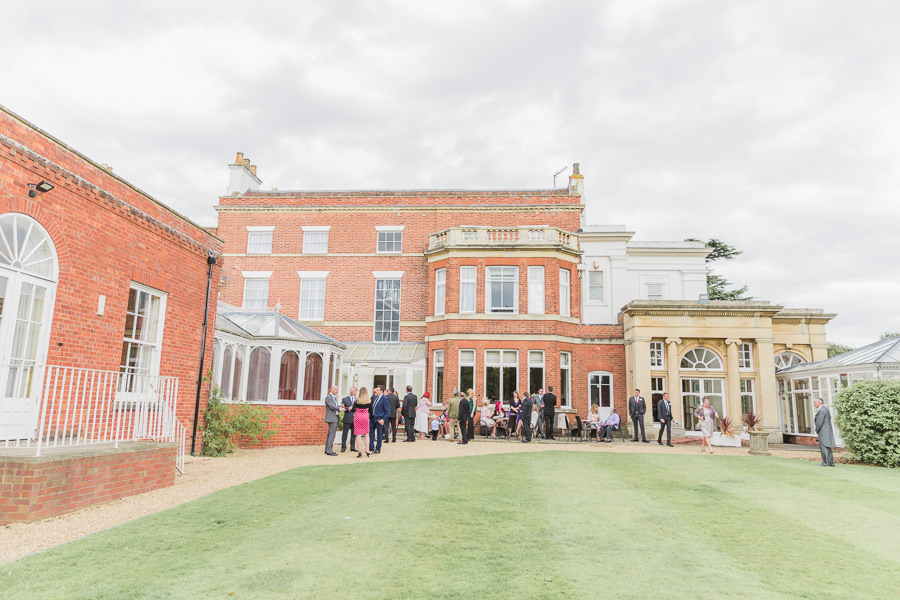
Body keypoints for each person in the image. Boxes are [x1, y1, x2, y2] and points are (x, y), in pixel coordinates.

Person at [813, 398, 836, 467]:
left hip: (823, 431)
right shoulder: (825, 409)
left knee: (824, 447)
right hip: (827, 430)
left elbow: (819, 422)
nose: (814, 404)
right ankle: (831, 462)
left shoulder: (822, 410)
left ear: (819, 403)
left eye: (815, 402)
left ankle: (826, 463)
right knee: (827, 447)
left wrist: (816, 430)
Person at [369, 385, 389, 454]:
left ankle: (378, 448)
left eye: (377, 390)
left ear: (381, 391)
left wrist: (383, 419)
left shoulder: (385, 399)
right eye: (376, 390)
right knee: (370, 433)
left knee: (379, 434)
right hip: (372, 418)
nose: (376, 391)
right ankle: (371, 447)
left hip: (379, 419)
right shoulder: (375, 398)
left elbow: (387, 411)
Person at [353, 387, 372, 458]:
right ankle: (367, 450)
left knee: (358, 435)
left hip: (358, 417)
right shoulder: (369, 400)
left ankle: (359, 451)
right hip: (365, 417)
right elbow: (371, 411)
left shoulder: (357, 400)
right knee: (367, 434)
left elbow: (353, 410)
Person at [323, 385, 341, 456]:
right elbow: (332, 406)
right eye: (335, 389)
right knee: (332, 435)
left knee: (330, 434)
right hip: (331, 418)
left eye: (337, 389)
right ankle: (330, 451)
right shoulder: (328, 397)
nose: (336, 391)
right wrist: (339, 409)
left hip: (335, 417)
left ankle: (327, 450)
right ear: (331, 390)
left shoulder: (334, 397)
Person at [340, 387, 357, 453]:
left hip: (355, 419)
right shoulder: (344, 399)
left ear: (355, 392)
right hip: (347, 418)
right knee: (345, 434)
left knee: (353, 434)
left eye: (353, 391)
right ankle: (343, 447)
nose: (351, 392)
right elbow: (342, 407)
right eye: (350, 390)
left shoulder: (357, 399)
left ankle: (352, 447)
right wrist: (348, 408)